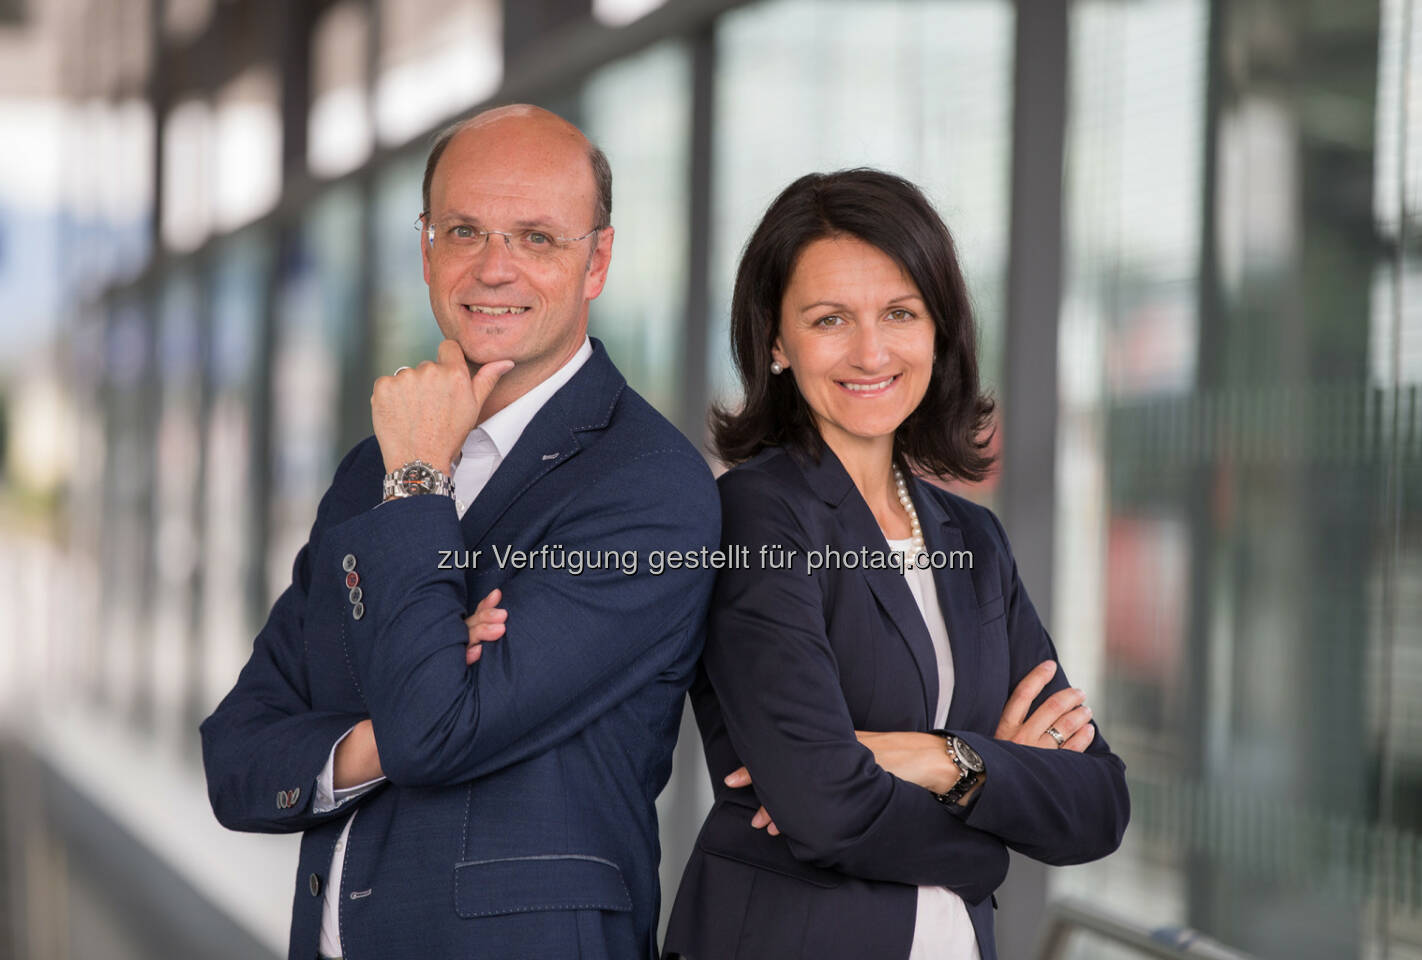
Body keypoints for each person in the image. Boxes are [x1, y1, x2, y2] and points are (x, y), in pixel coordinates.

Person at [200, 104, 720, 960]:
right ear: (425, 249)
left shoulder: (649, 487)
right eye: (464, 231)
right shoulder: (371, 468)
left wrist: (417, 482)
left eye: (537, 238)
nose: (493, 268)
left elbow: (436, 733)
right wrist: (399, 717)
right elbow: (236, 756)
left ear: (597, 260)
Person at [662, 170, 1129, 960]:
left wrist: (936, 757)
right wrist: (990, 829)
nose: (871, 351)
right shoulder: (759, 513)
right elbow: (825, 807)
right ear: (776, 341)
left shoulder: (973, 539)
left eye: (900, 313)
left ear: (937, 329)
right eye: (830, 319)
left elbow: (1097, 804)